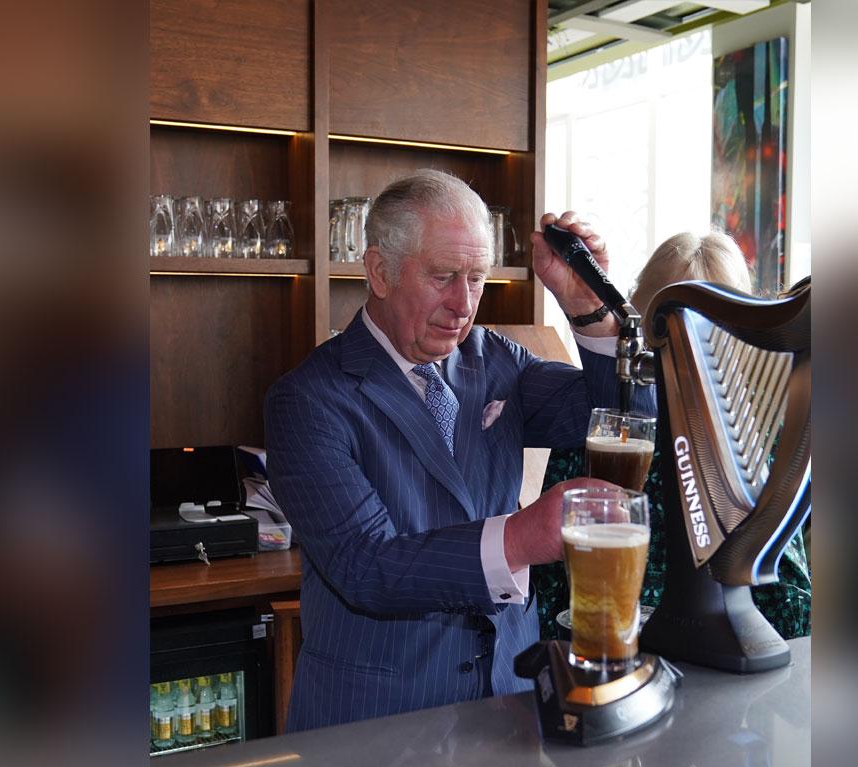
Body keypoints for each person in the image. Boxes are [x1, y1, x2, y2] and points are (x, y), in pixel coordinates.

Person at [264, 170, 654, 731]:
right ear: (379, 271)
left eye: (477, 278)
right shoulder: (307, 400)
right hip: (377, 727)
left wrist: (588, 308)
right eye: (443, 276)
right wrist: (523, 536)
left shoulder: (493, 359)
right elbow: (367, 568)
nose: (463, 304)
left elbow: (619, 419)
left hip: (512, 704)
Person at [532, 229, 812, 641]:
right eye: (675, 336)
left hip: (730, 655)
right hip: (610, 649)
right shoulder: (600, 428)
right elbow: (553, 589)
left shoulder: (764, 436)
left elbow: (795, 609)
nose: (689, 357)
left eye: (705, 339)